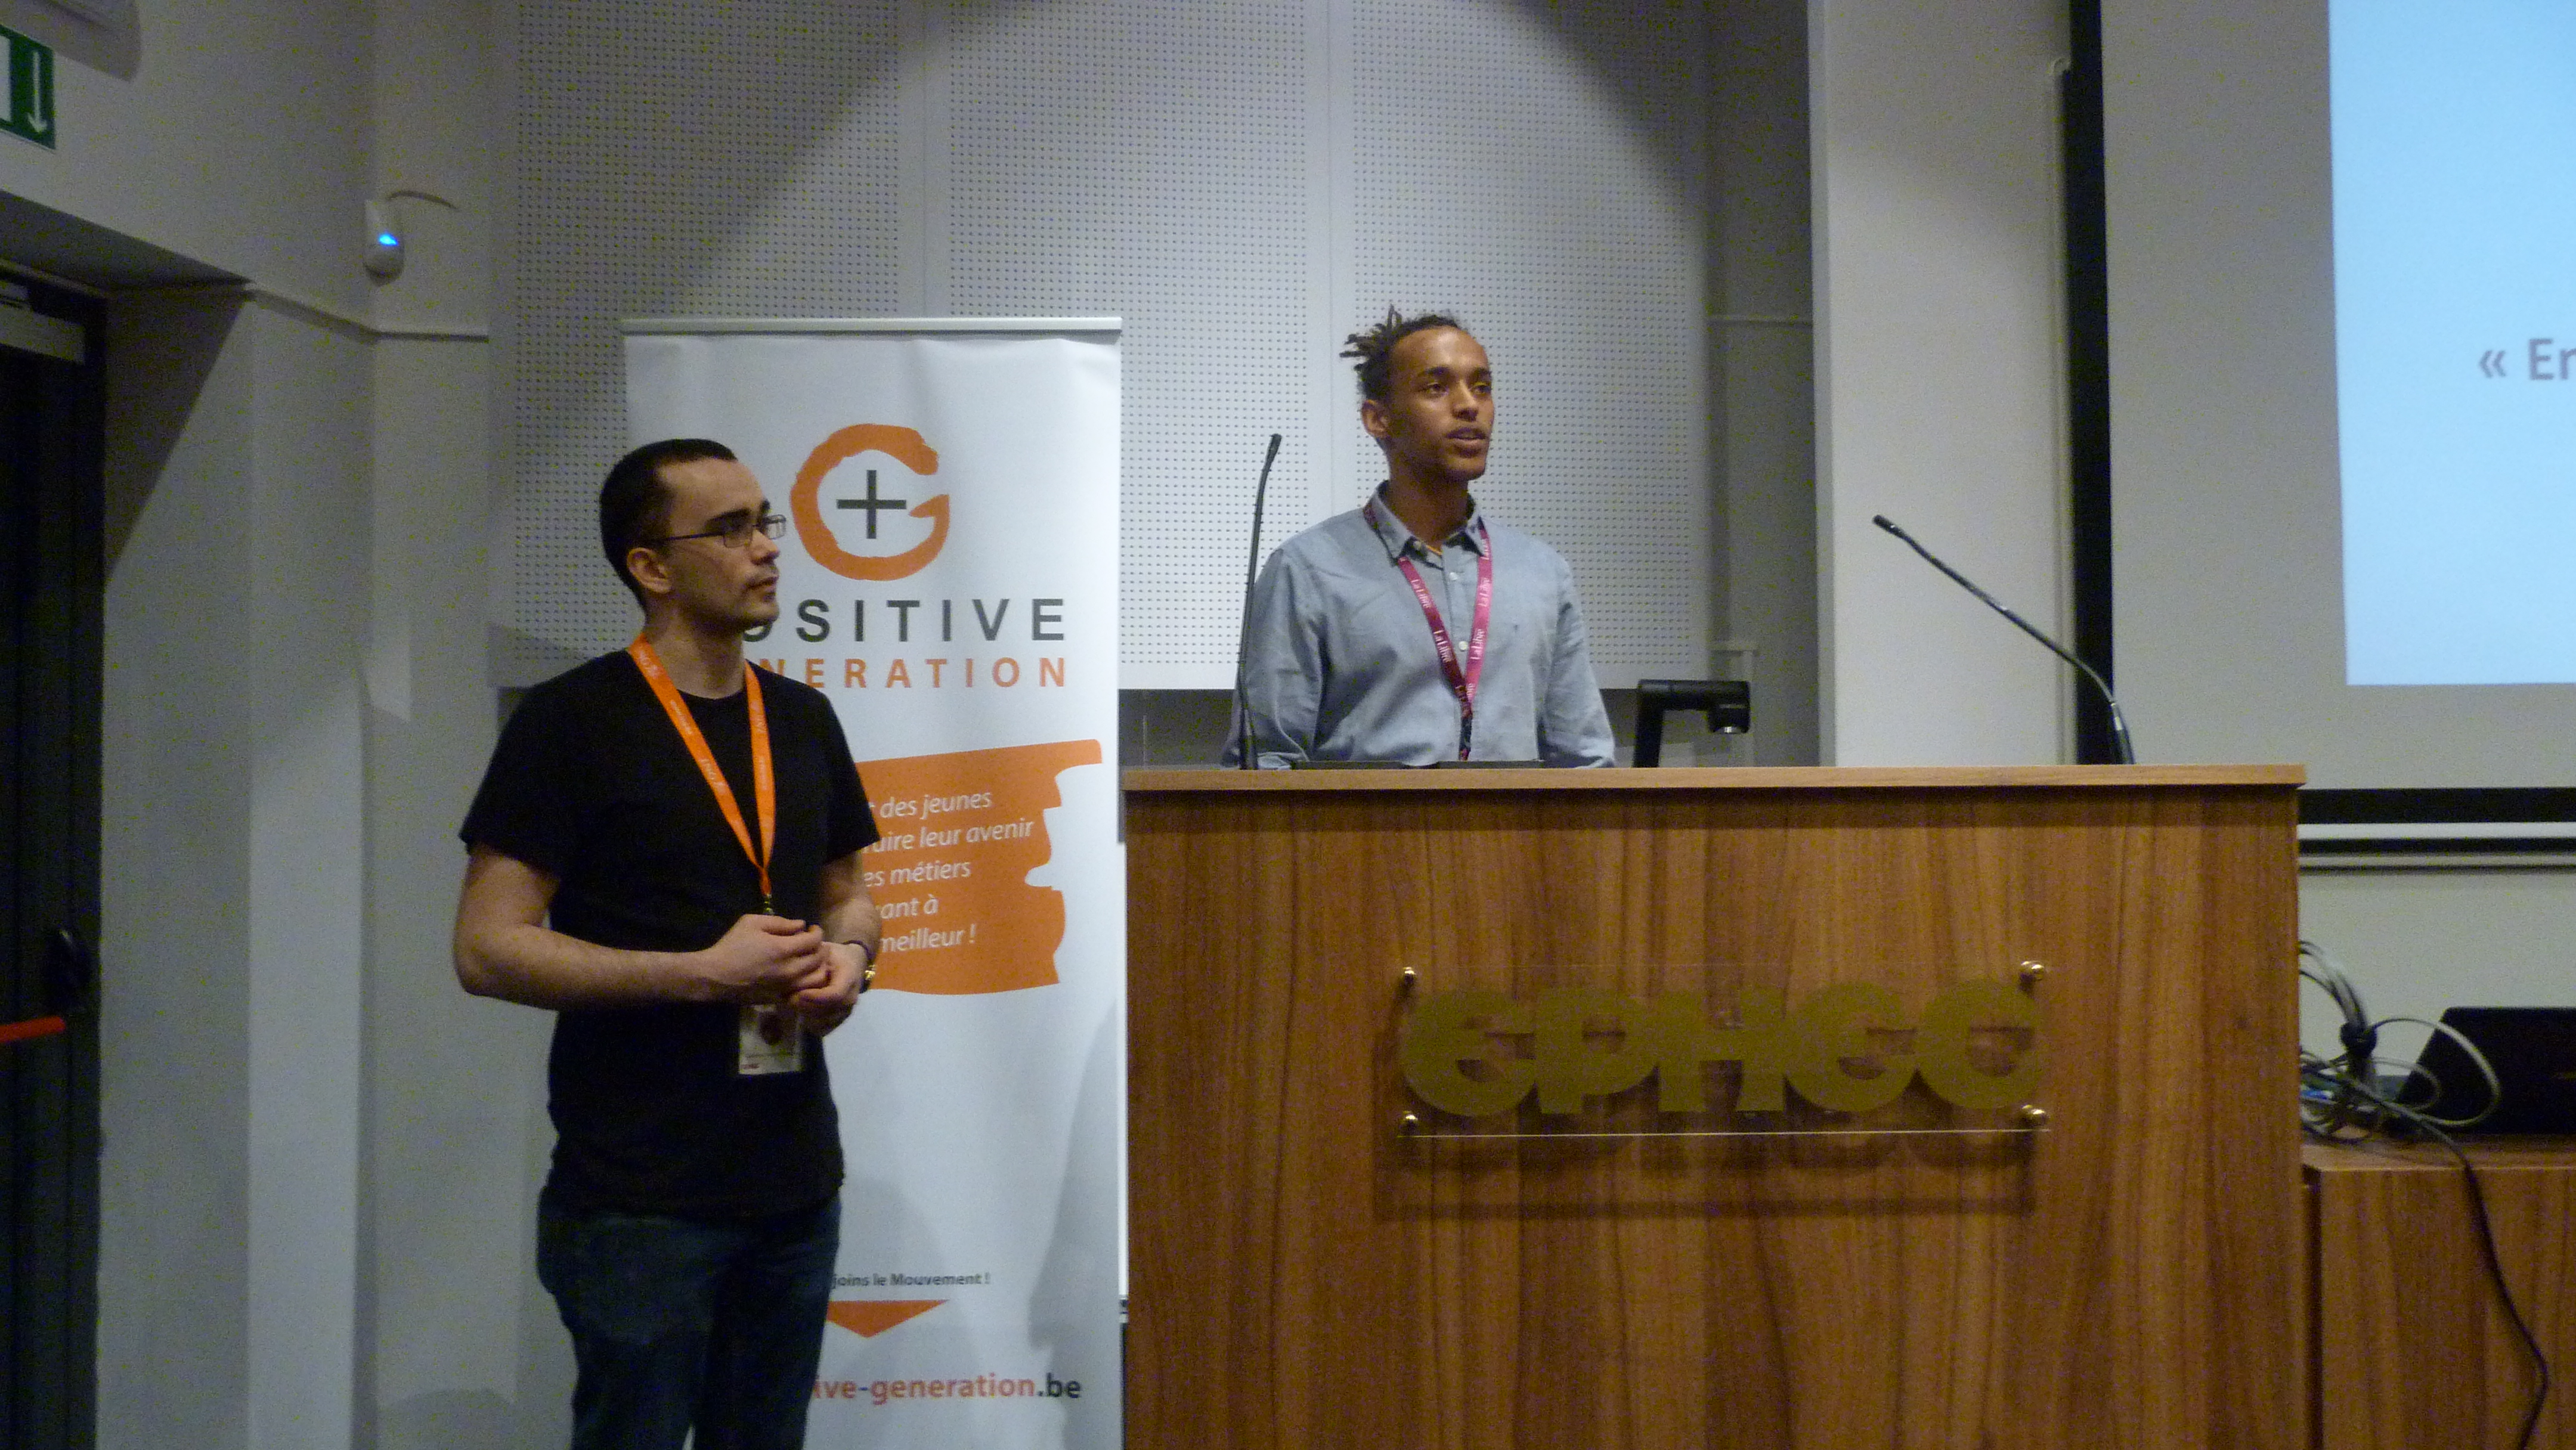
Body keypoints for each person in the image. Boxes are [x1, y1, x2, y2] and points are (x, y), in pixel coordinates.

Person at [452, 438, 881, 1450]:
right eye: (730, 529)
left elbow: (850, 894)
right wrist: (701, 975)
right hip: (640, 1198)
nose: (766, 547)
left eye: (765, 522)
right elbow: (486, 947)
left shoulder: (803, 718)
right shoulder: (570, 723)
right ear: (650, 566)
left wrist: (851, 962)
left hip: (793, 1185)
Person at [1228, 309, 1616, 767]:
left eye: (1482, 387)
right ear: (1378, 419)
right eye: (1436, 388)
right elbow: (1267, 766)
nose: (1469, 405)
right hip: (1365, 817)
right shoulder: (1307, 570)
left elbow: (1584, 761)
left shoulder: (1542, 572)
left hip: (1508, 818)